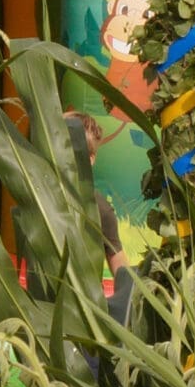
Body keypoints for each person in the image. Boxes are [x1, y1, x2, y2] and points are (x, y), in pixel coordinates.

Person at [63, 111, 128, 272]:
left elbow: (118, 261)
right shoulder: (38, 192)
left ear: (90, 159)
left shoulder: (100, 209)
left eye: (71, 151)